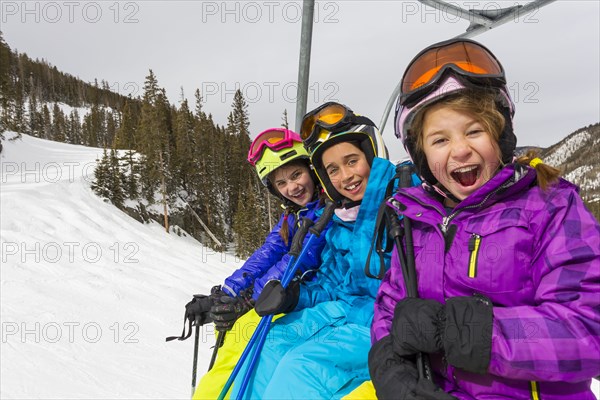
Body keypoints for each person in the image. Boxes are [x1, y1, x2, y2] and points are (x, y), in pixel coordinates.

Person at [370, 38, 600, 400]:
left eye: (474, 130)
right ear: (422, 156)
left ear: (500, 135)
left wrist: (464, 331)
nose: (461, 149)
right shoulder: (415, 219)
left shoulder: (549, 206)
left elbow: (588, 329)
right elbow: (389, 306)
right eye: (440, 140)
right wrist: (389, 364)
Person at [230, 102, 398, 399]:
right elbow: (329, 283)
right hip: (342, 310)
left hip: (383, 322)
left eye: (351, 161)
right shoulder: (338, 220)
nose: (345, 176)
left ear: (372, 154)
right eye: (333, 169)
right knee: (268, 344)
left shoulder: (403, 208)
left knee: (300, 369)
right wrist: (294, 297)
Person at [188, 128, 328, 399]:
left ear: (311, 170)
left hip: (305, 299)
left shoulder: (325, 211)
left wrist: (249, 300)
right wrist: (227, 292)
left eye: (296, 174)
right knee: (234, 340)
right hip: (281, 296)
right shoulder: (292, 216)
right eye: (282, 183)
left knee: (248, 340)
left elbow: (297, 261)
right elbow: (268, 253)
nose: (292, 187)